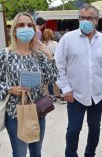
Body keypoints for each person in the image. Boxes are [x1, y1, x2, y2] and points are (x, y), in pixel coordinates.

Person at [54, 4, 102, 157]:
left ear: (96, 21)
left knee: (95, 127)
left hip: (98, 94)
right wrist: (65, 89)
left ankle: (90, 154)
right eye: (82, 17)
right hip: (75, 94)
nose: (85, 20)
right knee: (73, 128)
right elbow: (59, 65)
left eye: (89, 18)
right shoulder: (68, 39)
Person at [0, 12, 58, 157]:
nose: (26, 28)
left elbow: (52, 78)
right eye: (21, 25)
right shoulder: (5, 55)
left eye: (29, 25)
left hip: (38, 110)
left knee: (36, 152)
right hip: (15, 113)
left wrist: (50, 56)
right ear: (14, 29)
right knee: (20, 153)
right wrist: (10, 89)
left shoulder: (38, 55)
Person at [42, 28, 60, 102]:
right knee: (58, 80)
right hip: (55, 64)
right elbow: (59, 54)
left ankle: (52, 96)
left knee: (49, 81)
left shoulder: (43, 45)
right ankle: (61, 96)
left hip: (46, 65)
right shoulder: (55, 43)